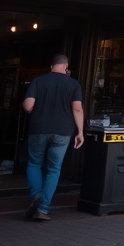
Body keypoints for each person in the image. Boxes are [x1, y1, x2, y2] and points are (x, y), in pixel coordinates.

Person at [22, 54, 84, 222]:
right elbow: (77, 109)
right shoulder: (73, 84)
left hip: (38, 129)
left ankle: (36, 195)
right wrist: (80, 132)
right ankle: (43, 208)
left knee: (34, 163)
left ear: (52, 66)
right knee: (54, 169)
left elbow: (28, 106)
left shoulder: (38, 81)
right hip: (63, 131)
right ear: (66, 66)